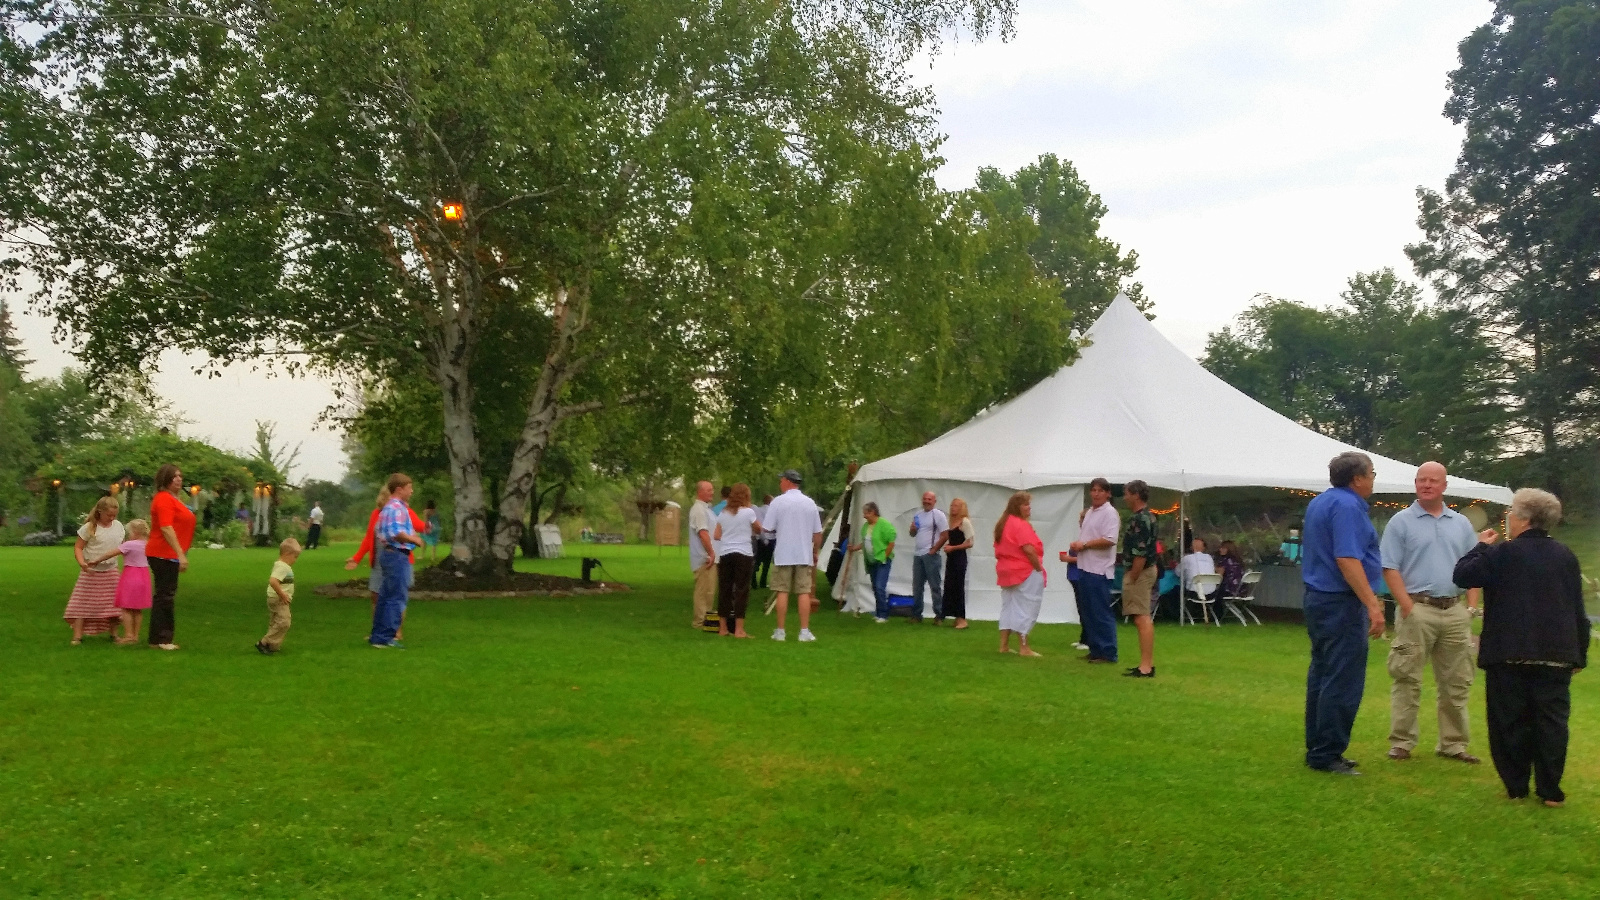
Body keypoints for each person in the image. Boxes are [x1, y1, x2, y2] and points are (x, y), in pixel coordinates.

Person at [1454, 488, 1588, 807]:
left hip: (1509, 651)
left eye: (1510, 513)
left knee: (1509, 721)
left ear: (1523, 519)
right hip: (1555, 652)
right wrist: (1579, 652)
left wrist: (1480, 547)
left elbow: (1462, 575)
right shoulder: (1565, 556)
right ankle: (1550, 790)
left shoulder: (1502, 553)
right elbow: (1576, 607)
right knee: (1551, 722)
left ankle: (1516, 786)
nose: (1508, 518)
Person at [1380, 461, 1483, 764]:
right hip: (1417, 609)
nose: (1426, 485)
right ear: (1415, 484)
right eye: (1421, 480)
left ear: (1444, 486)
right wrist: (1408, 607)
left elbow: (1474, 566)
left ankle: (1453, 744)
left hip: (1454, 611)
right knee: (1406, 677)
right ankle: (1402, 742)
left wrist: (1471, 608)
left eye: (1433, 480)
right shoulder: (1401, 521)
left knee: (1457, 681)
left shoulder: (1460, 523)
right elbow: (1389, 567)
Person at [1301, 451, 1386, 775]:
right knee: (1342, 679)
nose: (1373, 479)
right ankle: (1328, 753)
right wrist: (1372, 604)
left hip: (1319, 599)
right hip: (1341, 602)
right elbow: (1347, 559)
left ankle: (1317, 747)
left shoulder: (1320, 502)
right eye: (1372, 473)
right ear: (1357, 478)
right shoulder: (1348, 507)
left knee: (1322, 674)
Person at [346, 485, 426, 641]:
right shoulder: (377, 514)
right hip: (380, 561)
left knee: (396, 596)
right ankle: (379, 631)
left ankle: (396, 632)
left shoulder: (404, 511)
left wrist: (429, 524)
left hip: (399, 557)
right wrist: (357, 558)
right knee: (377, 596)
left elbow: (420, 526)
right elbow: (369, 538)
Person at [766, 469, 823, 643]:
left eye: (781, 480)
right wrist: (815, 551)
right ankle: (804, 631)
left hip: (784, 553)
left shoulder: (778, 502)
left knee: (782, 591)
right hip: (803, 554)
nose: (780, 483)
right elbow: (817, 532)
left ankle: (780, 631)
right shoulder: (810, 503)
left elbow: (767, 528)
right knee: (803, 592)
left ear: (787, 481)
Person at [1068, 477, 1120, 664]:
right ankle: (1095, 649)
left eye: (1100, 490)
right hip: (1085, 566)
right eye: (1094, 490)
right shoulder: (1090, 511)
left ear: (1108, 493)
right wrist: (1080, 543)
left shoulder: (1110, 513)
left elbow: (1110, 540)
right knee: (1088, 612)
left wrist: (1085, 545)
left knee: (1100, 612)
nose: (1096, 494)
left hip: (1099, 569)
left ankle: (1108, 652)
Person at [369, 473, 422, 648]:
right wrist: (414, 539)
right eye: (409, 488)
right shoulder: (397, 508)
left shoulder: (388, 508)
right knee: (396, 598)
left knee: (385, 596)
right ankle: (386, 637)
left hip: (389, 554)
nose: (412, 491)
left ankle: (378, 636)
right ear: (399, 489)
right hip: (397, 555)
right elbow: (396, 533)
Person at [146, 464, 196, 651]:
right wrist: (180, 554)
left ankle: (157, 638)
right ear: (165, 479)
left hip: (168, 554)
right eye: (174, 476)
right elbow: (166, 528)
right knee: (165, 596)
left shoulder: (174, 499)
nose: (179, 479)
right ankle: (162, 639)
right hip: (163, 554)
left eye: (180, 476)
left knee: (165, 595)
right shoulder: (164, 499)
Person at [65, 495, 125, 644]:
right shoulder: (89, 528)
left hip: (111, 570)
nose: (111, 518)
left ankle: (114, 634)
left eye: (114, 515)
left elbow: (122, 547)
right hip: (90, 572)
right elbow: (78, 547)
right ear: (100, 511)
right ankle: (77, 636)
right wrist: (82, 563)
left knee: (113, 604)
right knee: (82, 603)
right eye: (108, 515)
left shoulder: (118, 526)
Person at [995, 491, 1046, 656]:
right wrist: (1038, 568)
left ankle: (1003, 645)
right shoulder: (1020, 524)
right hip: (1023, 570)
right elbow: (1028, 549)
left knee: (1008, 607)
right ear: (1017, 507)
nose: (1029, 508)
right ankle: (1024, 647)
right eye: (1025, 504)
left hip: (1005, 570)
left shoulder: (1003, 524)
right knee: (1026, 606)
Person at [1120, 480, 1159, 677]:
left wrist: (1133, 576)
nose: (1125, 497)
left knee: (1142, 617)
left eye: (1127, 493)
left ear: (1136, 495)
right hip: (1146, 569)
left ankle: (1146, 667)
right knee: (1140, 616)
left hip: (1140, 571)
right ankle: (1146, 664)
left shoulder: (1140, 519)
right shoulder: (1148, 516)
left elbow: (1140, 552)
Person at [712, 483, 760, 638]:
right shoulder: (749, 512)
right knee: (741, 590)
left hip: (726, 554)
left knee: (724, 590)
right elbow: (758, 528)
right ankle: (739, 629)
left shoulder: (723, 513)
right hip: (743, 554)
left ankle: (723, 628)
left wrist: (729, 535)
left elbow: (716, 535)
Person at [848, 501, 897, 623]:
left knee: (880, 586)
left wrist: (884, 556)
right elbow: (865, 542)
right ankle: (879, 612)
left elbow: (891, 542)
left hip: (882, 561)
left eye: (866, 513)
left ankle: (883, 615)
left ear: (873, 512)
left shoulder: (884, 524)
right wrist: (854, 548)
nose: (864, 516)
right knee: (875, 587)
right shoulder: (866, 526)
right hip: (871, 561)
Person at [107, 519, 152, 644]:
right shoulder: (148, 544)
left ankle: (128, 635)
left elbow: (111, 553)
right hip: (144, 576)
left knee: (126, 607)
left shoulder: (129, 544)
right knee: (137, 609)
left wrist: (96, 560)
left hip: (131, 575)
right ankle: (135, 635)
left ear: (135, 532)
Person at [907, 491, 949, 624]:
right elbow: (912, 534)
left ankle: (939, 615)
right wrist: (912, 529)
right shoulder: (918, 515)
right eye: (925, 499)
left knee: (934, 586)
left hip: (931, 555)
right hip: (918, 554)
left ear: (934, 501)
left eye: (929, 499)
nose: (926, 501)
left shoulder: (938, 515)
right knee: (917, 586)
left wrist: (934, 549)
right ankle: (917, 615)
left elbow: (945, 535)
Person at [257, 537, 302, 655]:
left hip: (274, 598)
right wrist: (282, 595)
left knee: (275, 622)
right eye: (295, 557)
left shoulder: (280, 565)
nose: (295, 560)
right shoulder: (283, 567)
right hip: (279, 600)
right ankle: (264, 642)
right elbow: (273, 581)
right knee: (284, 622)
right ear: (287, 554)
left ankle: (272, 645)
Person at [687, 480, 717, 630]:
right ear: (700, 492)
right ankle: (699, 622)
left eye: (712, 489)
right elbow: (703, 533)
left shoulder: (706, 509)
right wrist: (711, 552)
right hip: (704, 558)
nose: (712, 492)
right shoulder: (699, 510)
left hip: (709, 557)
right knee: (703, 591)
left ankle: (707, 620)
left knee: (709, 591)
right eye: (708, 490)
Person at [944, 498, 975, 630]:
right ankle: (956, 617)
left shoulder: (964, 522)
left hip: (959, 558)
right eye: (952, 505)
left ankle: (962, 619)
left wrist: (953, 547)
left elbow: (970, 542)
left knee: (958, 587)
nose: (953, 508)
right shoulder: (952, 522)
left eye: (956, 506)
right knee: (950, 586)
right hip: (951, 558)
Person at [1179, 537, 1219, 617]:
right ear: (1204, 548)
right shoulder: (1209, 558)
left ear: (1191, 547)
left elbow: (1178, 573)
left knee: (1175, 591)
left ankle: (1177, 614)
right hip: (1211, 594)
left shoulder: (1187, 558)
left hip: (1194, 593)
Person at [751, 493, 775, 589]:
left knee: (756, 560)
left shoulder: (758, 509)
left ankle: (753, 582)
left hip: (759, 537)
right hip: (770, 537)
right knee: (767, 563)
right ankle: (763, 581)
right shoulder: (772, 511)